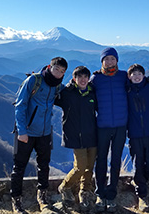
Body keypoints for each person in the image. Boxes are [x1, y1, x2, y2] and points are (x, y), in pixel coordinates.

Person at [11, 57, 68, 214]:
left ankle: (42, 197)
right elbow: (20, 105)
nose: (58, 73)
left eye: (62, 71)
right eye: (56, 69)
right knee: (19, 167)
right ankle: (16, 200)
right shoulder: (34, 81)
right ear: (50, 67)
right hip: (26, 133)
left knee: (44, 166)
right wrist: (22, 131)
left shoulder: (57, 86)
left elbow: (69, 93)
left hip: (45, 133)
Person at [90, 47, 128, 213]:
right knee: (101, 160)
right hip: (103, 125)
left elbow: (138, 84)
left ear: (117, 60)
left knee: (116, 160)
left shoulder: (123, 76)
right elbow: (83, 89)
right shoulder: (96, 79)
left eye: (113, 59)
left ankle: (111, 194)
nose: (110, 61)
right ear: (102, 61)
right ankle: (100, 193)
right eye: (107, 59)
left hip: (121, 125)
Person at [54, 66, 97, 212]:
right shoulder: (67, 93)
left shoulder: (93, 92)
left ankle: (85, 191)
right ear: (74, 79)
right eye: (80, 77)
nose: (83, 80)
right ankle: (65, 186)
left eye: (86, 77)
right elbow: (52, 96)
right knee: (80, 167)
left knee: (90, 167)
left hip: (92, 135)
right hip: (76, 137)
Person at [126, 64, 149, 211]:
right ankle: (142, 195)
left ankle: (141, 180)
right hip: (135, 135)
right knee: (138, 164)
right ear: (129, 76)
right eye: (133, 74)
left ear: (143, 75)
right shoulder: (126, 89)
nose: (136, 76)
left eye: (139, 73)